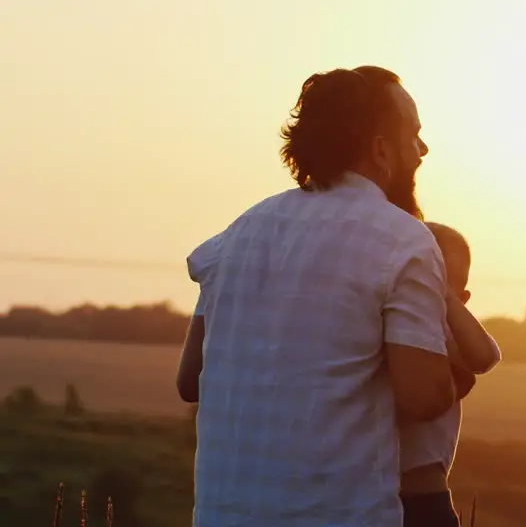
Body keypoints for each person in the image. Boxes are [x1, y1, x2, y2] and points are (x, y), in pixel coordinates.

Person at [176, 66, 457, 527]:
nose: (422, 150)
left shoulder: (239, 233)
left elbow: (191, 380)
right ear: (380, 148)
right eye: (414, 135)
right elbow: (423, 398)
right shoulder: (403, 240)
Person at [400, 222, 502, 527]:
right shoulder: (390, 322)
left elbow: (485, 356)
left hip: (425, 493)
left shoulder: (446, 333)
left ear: (463, 298)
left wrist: (445, 301)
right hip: (374, 489)